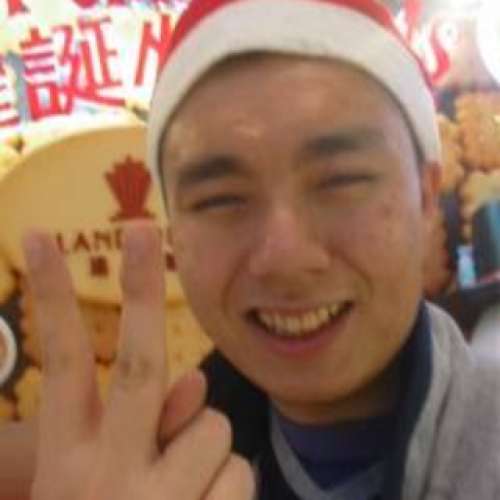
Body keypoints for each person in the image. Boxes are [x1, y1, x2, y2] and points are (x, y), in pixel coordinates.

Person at [1, 0, 500, 499]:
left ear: (426, 196)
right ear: (174, 232)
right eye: (221, 200)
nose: (285, 257)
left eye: (341, 181)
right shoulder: (124, 468)